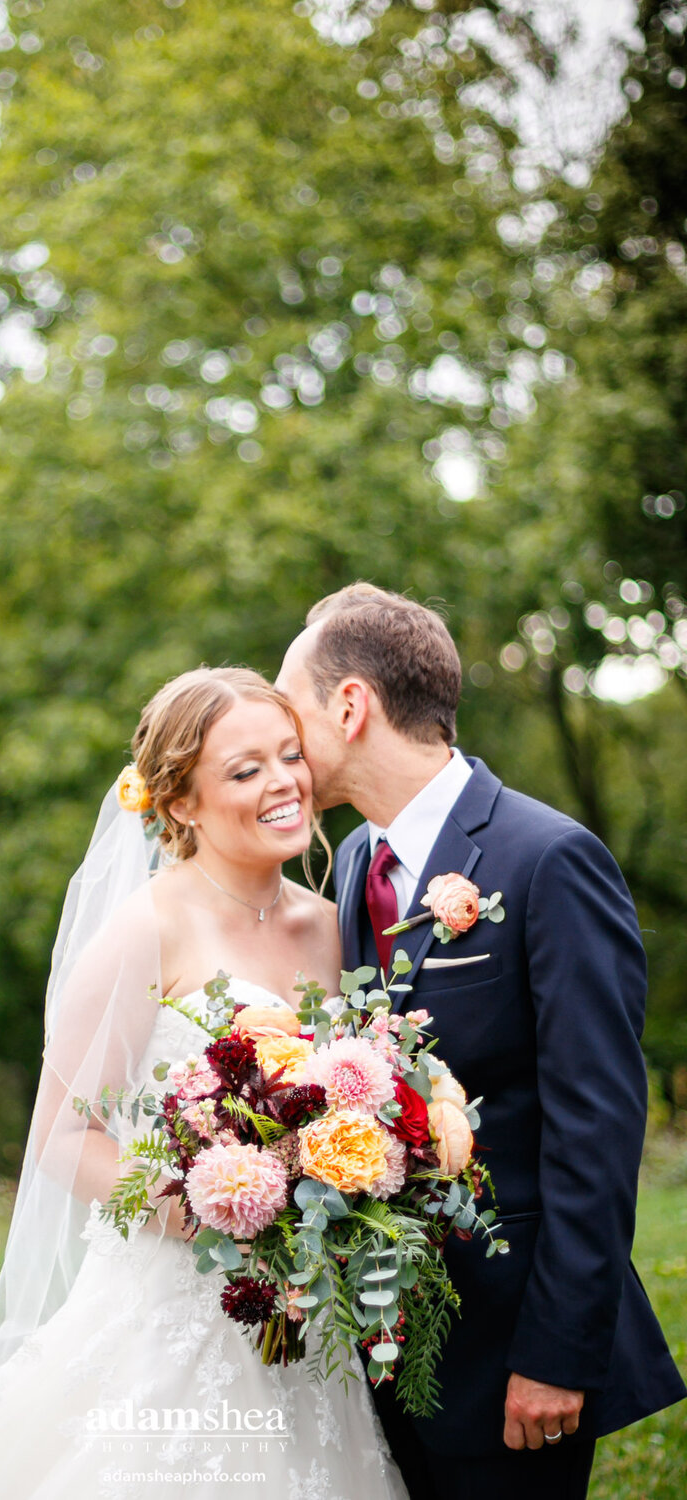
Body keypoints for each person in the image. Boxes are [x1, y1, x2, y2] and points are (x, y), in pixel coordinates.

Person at [0, 666, 408, 1500]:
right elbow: (63, 1135)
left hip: (305, 1320)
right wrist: (217, 1213)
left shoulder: (331, 925)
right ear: (179, 802)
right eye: (245, 770)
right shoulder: (146, 928)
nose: (284, 782)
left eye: (290, 755)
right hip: (172, 1309)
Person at [277, 583, 686, 1500]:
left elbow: (600, 1127)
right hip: (386, 1341)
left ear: (350, 706)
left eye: (288, 705)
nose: (279, 738)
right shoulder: (350, 863)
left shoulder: (549, 859)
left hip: (515, 1350)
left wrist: (558, 1352)